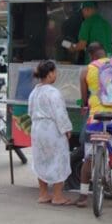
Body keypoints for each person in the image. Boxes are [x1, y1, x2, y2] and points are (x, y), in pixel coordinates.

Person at [74, 43, 112, 210]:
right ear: (105, 53)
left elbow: (84, 99)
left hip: (96, 118)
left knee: (88, 156)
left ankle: (83, 196)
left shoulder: (87, 70)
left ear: (91, 56)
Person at [28, 60, 74, 206]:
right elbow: (60, 113)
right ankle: (57, 196)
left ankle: (43, 194)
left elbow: (30, 112)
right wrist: (67, 129)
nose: (56, 74)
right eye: (55, 72)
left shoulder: (34, 92)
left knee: (41, 159)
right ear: (49, 74)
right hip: (52, 130)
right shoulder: (53, 93)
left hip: (37, 129)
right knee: (58, 159)